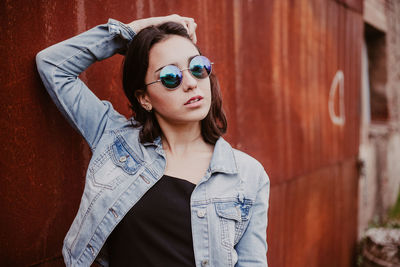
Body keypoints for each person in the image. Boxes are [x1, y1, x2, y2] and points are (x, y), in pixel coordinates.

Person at [36, 14, 270, 267]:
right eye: (170, 76)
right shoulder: (115, 141)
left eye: (198, 67)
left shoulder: (247, 174)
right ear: (144, 98)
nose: (191, 83)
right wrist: (130, 32)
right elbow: (52, 65)